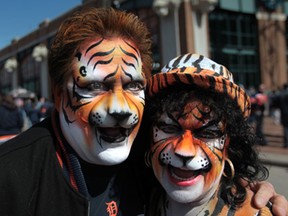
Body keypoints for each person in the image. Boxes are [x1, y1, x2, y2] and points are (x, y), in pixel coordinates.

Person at [0, 8, 287, 216]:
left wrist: (239, 189)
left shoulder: (147, 160)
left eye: (134, 85)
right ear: (58, 92)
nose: (120, 108)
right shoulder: (11, 177)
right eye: (95, 86)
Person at [142, 53, 279, 215]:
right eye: (170, 129)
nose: (185, 151)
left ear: (229, 144)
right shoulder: (137, 201)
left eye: (207, 133)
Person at [271, 83, 288, 148]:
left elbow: (275, 103)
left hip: (283, 113)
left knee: (285, 128)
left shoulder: (280, 94)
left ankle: (286, 143)